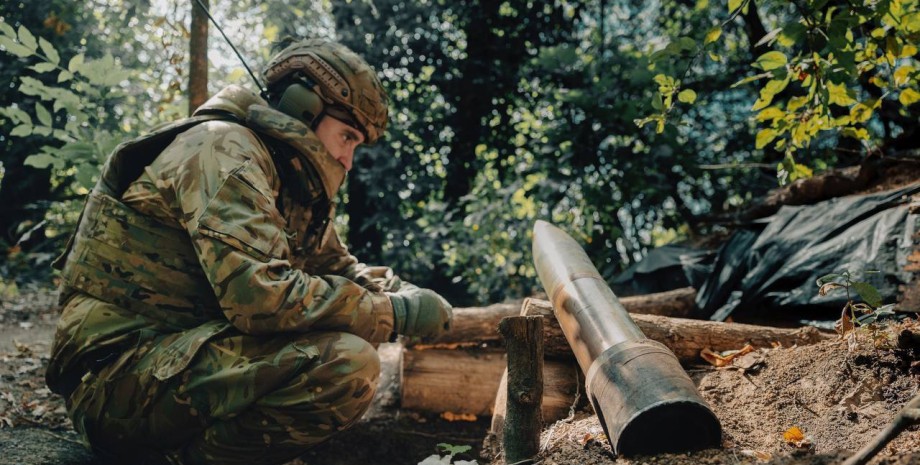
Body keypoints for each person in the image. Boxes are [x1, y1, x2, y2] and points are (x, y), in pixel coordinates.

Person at [45, 38, 453, 465]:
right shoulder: (223, 150)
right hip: (116, 380)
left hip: (172, 361)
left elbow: (337, 266)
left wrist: (406, 294)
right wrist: (395, 313)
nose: (347, 160)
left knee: (341, 344)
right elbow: (261, 300)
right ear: (302, 107)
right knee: (345, 364)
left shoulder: (286, 179)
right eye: (346, 136)